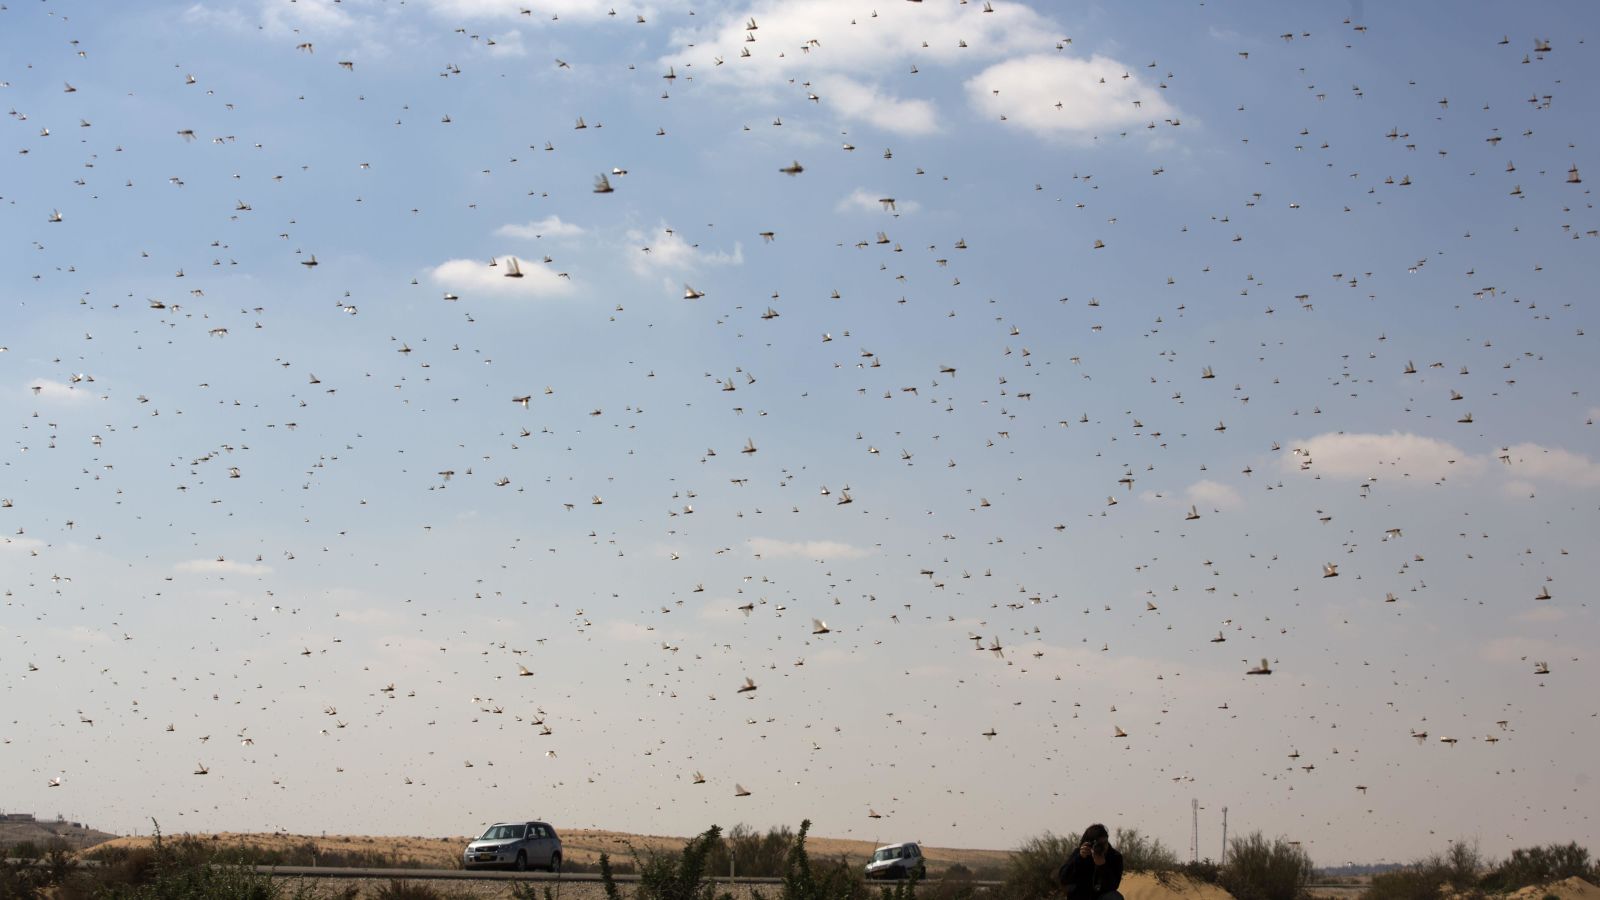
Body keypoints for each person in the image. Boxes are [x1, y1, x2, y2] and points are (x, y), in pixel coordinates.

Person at [1057, 823, 1123, 900]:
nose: (1103, 847)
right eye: (1099, 844)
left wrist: (1103, 866)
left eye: (1105, 843)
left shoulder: (1115, 856)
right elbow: (1063, 878)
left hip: (1102, 896)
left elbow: (1113, 886)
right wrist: (1079, 859)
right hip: (1082, 896)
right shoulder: (1081, 853)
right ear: (1090, 844)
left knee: (1114, 897)